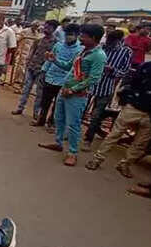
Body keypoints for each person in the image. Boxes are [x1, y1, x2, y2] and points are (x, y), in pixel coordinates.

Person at [85, 47, 151, 177]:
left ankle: (125, 165)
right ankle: (97, 159)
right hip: (134, 108)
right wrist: (126, 101)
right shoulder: (148, 67)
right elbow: (130, 84)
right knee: (114, 135)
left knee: (140, 144)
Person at [38, 24, 106, 166]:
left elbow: (94, 79)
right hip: (65, 89)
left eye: (83, 36)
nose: (80, 38)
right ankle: (58, 143)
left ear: (93, 38)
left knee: (73, 124)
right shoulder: (82, 52)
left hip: (77, 95)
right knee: (59, 117)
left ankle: (72, 153)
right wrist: (54, 60)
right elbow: (68, 66)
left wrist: (73, 89)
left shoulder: (99, 56)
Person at [81, 30, 133, 151]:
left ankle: (88, 139)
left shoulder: (126, 52)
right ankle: (72, 133)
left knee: (96, 115)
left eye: (112, 42)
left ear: (119, 41)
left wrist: (112, 70)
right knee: (81, 110)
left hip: (107, 87)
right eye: (108, 41)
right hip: (90, 84)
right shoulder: (101, 48)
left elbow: (125, 71)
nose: (109, 44)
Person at [32, 23, 83, 127]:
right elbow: (49, 60)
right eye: (67, 34)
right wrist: (43, 71)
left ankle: (51, 122)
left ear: (77, 35)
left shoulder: (79, 50)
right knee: (45, 101)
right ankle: (41, 120)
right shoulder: (58, 45)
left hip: (65, 80)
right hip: (50, 77)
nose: (68, 36)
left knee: (58, 104)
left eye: (71, 34)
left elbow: (71, 66)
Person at [12, 20, 59, 118]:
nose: (45, 29)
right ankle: (20, 108)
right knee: (26, 89)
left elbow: (53, 58)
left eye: (48, 28)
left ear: (53, 29)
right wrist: (28, 63)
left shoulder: (56, 43)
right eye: (45, 27)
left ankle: (36, 113)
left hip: (42, 70)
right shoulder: (39, 39)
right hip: (32, 67)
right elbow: (32, 52)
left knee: (39, 93)